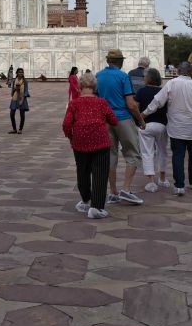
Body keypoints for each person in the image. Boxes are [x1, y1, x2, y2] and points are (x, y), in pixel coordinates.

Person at [142, 63, 192, 196]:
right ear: (191, 72)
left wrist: (144, 114)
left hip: (176, 127)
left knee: (178, 155)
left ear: (178, 71)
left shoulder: (171, 84)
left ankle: (179, 185)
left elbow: (157, 101)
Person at [63, 70, 119, 219]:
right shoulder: (102, 102)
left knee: (83, 171)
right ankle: (97, 207)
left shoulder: (74, 103)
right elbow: (113, 120)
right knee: (100, 173)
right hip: (100, 141)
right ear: (95, 86)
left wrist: (71, 137)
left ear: (80, 86)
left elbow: (67, 124)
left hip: (80, 141)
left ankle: (85, 200)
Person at [96, 49, 146, 205]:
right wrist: (140, 120)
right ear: (121, 61)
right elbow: (131, 104)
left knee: (110, 155)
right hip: (122, 119)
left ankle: (113, 192)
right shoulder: (123, 76)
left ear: (108, 61)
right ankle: (126, 188)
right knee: (133, 153)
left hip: (105, 120)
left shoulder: (98, 76)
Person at [134, 68, 170, 193]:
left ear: (148, 78)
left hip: (145, 125)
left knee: (147, 153)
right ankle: (163, 179)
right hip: (162, 125)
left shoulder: (141, 91)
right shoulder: (163, 92)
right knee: (162, 151)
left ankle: (151, 182)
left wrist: (137, 121)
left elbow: (136, 109)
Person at [9, 67, 30, 134]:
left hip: (22, 98)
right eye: (19, 72)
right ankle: (14, 129)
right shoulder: (14, 80)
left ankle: (20, 129)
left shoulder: (25, 81)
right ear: (17, 73)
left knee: (22, 114)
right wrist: (15, 89)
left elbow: (26, 91)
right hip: (15, 98)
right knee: (12, 114)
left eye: (22, 72)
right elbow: (12, 92)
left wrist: (22, 100)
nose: (21, 73)